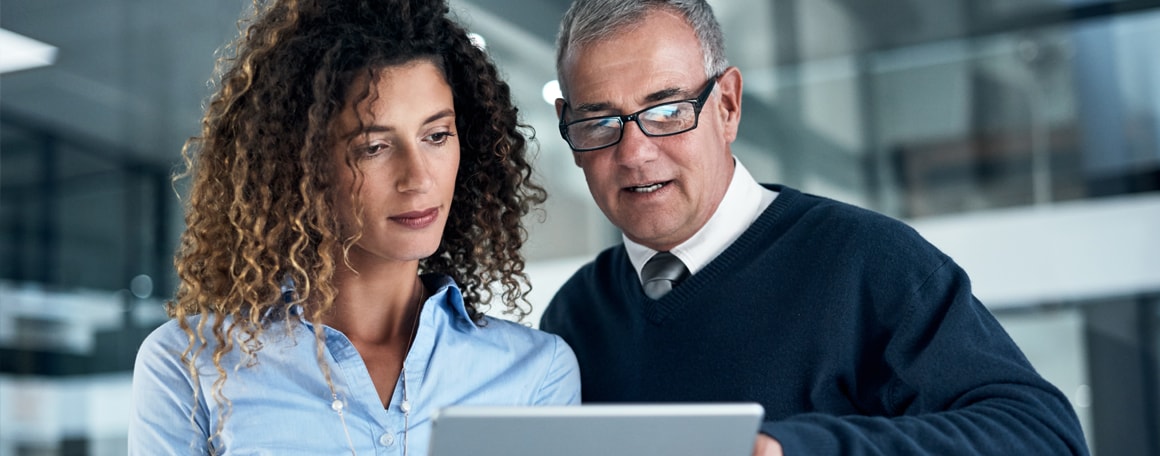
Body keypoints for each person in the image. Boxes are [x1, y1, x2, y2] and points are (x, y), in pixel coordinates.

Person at [538, 1, 1088, 455]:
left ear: (727, 106)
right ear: (567, 127)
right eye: (599, 122)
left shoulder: (868, 262)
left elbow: (1044, 437)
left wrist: (793, 449)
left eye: (667, 111)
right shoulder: (576, 315)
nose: (634, 152)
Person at [129, 0, 580, 454]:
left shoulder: (535, 374)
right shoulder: (190, 366)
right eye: (374, 147)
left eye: (437, 136)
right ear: (303, 164)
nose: (419, 179)